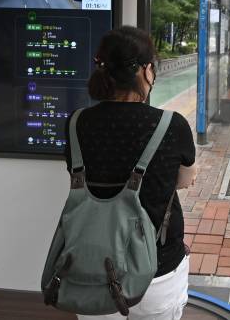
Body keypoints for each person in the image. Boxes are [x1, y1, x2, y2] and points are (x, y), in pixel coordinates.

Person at [69, 26, 197, 320]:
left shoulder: (77, 123)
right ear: (145, 70)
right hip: (157, 265)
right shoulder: (171, 124)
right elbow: (185, 180)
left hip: (91, 263)